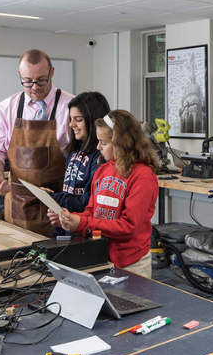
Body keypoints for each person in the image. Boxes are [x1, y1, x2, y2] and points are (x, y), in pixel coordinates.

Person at [48, 110, 159, 278]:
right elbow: (92, 212)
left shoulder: (143, 177)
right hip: (101, 256)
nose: (98, 147)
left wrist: (81, 223)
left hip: (131, 263)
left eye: (103, 143)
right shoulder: (103, 170)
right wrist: (70, 219)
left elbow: (128, 226)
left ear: (122, 143)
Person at [0, 49, 75, 237]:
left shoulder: (71, 106)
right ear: (19, 75)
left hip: (59, 206)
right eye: (27, 81)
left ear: (52, 72)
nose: (35, 87)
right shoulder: (6, 108)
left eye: (41, 80)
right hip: (18, 207)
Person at [43, 92, 110, 237]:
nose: (71, 124)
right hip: (69, 232)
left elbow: (90, 200)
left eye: (78, 119)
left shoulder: (101, 158)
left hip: (86, 234)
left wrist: (53, 197)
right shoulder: (73, 151)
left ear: (94, 121)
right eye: (70, 119)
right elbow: (69, 193)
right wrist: (59, 227)